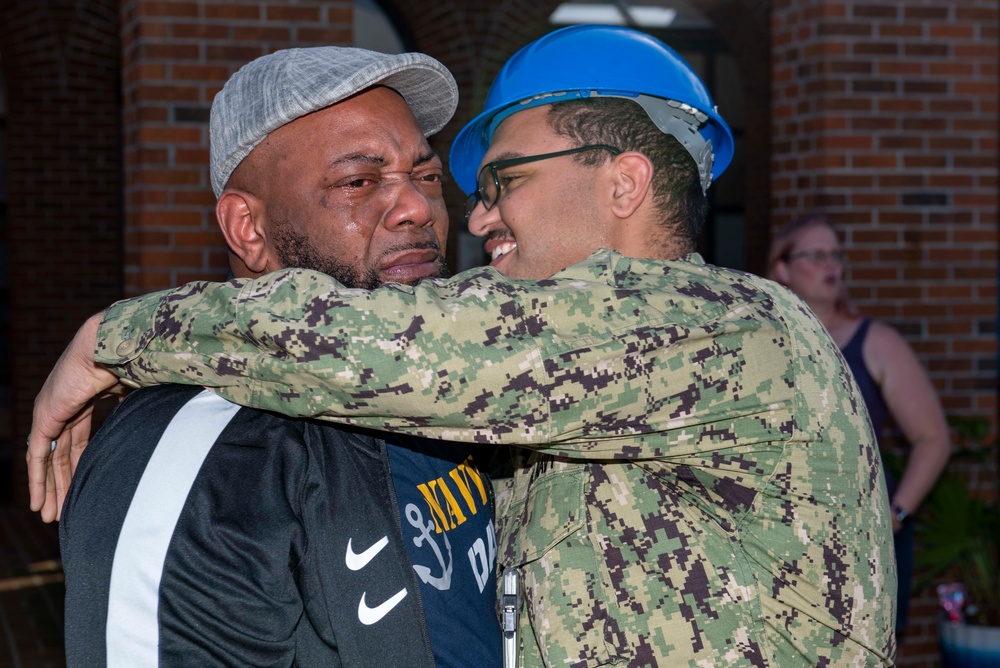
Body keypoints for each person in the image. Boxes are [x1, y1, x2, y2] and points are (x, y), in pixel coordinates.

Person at [31, 26, 896, 666]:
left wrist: (116, 336)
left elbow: (384, 344)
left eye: (504, 182)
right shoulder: (515, 352)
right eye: (365, 181)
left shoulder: (723, 328)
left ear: (625, 180)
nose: (467, 217)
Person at [56, 46, 501, 667]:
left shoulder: (468, 377)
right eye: (358, 182)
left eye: (425, 176)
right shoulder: (196, 454)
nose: (419, 209)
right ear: (248, 230)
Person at [766, 213, 950, 635]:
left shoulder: (876, 341)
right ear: (782, 267)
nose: (831, 265)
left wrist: (895, 514)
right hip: (781, 539)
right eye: (816, 255)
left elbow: (933, 438)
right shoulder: (760, 337)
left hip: (862, 542)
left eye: (836, 255)